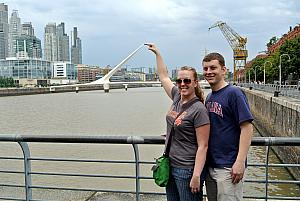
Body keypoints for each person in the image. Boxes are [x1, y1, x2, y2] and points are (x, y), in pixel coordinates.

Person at [145, 43, 210, 201]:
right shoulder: (176, 97)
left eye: (187, 81)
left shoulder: (199, 110)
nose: (182, 84)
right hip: (171, 165)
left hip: (187, 169)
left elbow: (203, 146)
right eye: (179, 80)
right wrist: (157, 53)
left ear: (195, 83)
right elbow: (163, 76)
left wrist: (196, 175)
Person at [202, 52, 254, 201]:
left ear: (223, 70)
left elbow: (247, 127)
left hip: (228, 166)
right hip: (211, 165)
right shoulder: (209, 97)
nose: (208, 72)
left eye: (213, 67)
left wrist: (239, 162)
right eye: (205, 69)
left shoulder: (234, 93)